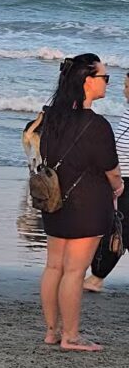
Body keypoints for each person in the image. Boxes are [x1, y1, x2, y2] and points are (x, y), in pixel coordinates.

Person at [38, 53, 122, 352]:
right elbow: (110, 168)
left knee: (54, 267)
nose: (108, 84)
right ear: (88, 81)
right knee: (74, 272)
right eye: (104, 78)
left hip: (54, 199)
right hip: (87, 203)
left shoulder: (50, 117)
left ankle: (52, 331)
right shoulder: (97, 125)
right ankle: (71, 337)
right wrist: (119, 186)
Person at [84, 73, 129, 292]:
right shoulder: (127, 111)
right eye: (125, 85)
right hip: (121, 180)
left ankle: (97, 277)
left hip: (125, 182)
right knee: (119, 228)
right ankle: (96, 276)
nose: (124, 90)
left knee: (119, 230)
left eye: (128, 86)